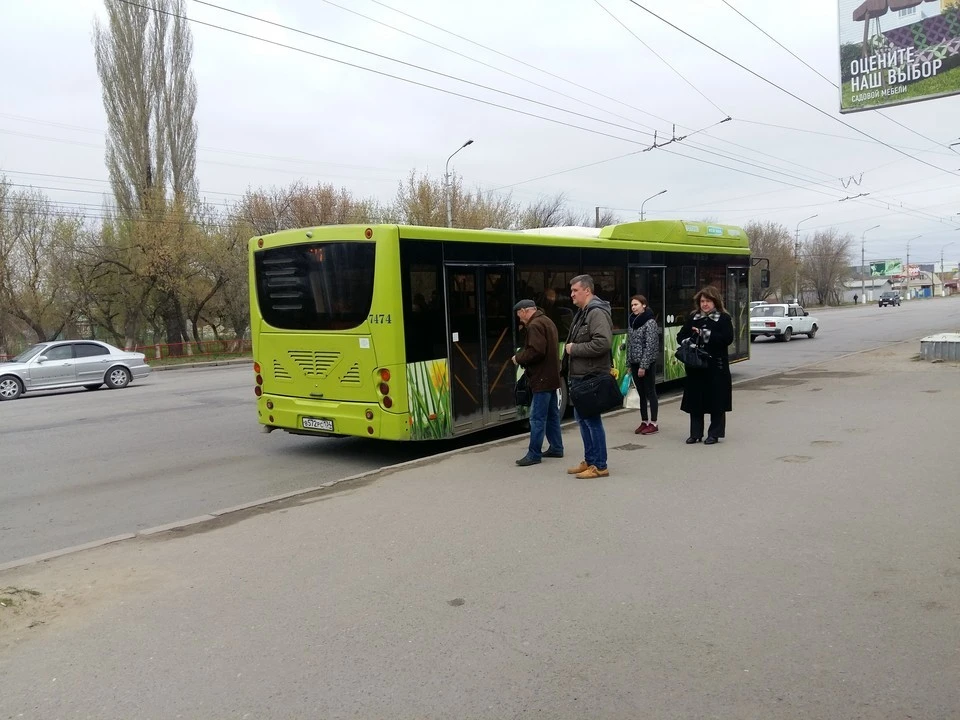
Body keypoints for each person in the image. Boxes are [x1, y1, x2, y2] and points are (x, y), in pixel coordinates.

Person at [563, 274, 613, 479]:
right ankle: (590, 460)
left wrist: (574, 348)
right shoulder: (583, 312)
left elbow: (603, 343)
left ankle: (600, 465)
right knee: (582, 419)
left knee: (592, 420)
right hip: (580, 376)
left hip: (590, 376)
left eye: (575, 290)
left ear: (587, 291)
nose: (571, 294)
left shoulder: (596, 313)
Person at [676, 286, 734, 445]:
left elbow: (727, 339)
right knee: (695, 401)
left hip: (716, 367)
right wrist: (688, 339)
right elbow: (680, 335)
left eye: (708, 301)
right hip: (696, 366)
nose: (705, 304)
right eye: (702, 301)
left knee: (716, 401)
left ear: (715, 302)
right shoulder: (693, 317)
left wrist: (704, 334)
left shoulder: (723, 318)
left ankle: (714, 434)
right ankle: (695, 434)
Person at [512, 299, 563, 466]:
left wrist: (518, 357)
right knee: (552, 415)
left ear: (526, 311)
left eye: (519, 314)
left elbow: (536, 351)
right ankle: (556, 447)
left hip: (541, 377)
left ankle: (534, 454)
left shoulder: (534, 325)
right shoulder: (547, 321)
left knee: (537, 418)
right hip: (552, 376)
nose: (519, 319)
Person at [627, 295, 659, 435]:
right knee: (641, 393)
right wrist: (629, 363)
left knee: (650, 392)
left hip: (647, 364)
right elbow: (630, 343)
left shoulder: (650, 322)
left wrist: (643, 366)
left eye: (636, 304)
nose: (633, 307)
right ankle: (644, 421)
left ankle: (654, 422)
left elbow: (650, 345)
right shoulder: (632, 320)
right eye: (632, 305)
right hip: (634, 362)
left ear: (644, 305)